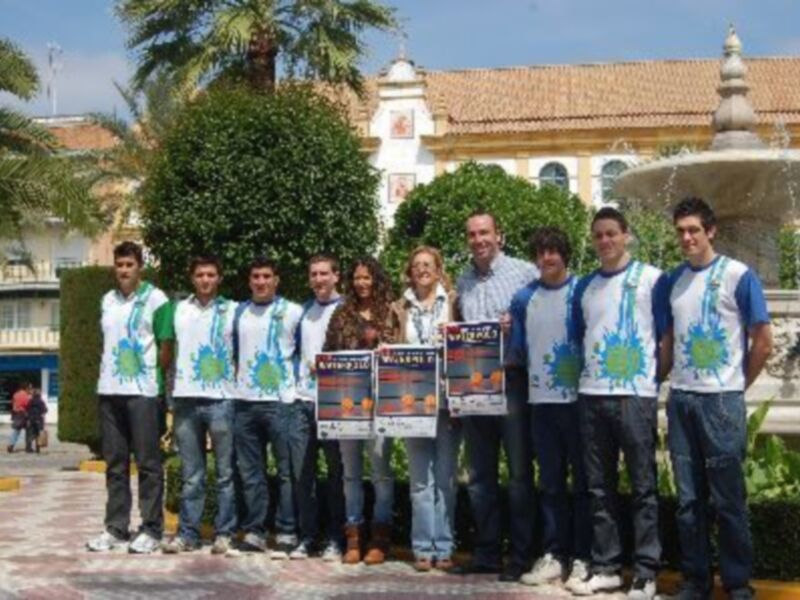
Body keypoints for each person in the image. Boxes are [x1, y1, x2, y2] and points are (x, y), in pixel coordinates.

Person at [662, 198, 772, 600]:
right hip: (683, 399)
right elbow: (668, 341)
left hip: (721, 401)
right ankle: (695, 580)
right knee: (689, 501)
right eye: (680, 231)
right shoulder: (673, 281)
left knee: (729, 500)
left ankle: (737, 583)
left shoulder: (738, 276)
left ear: (711, 231)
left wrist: (737, 385)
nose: (687, 237)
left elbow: (763, 341)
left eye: (693, 230)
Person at [568, 207, 668, 599]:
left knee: (644, 485)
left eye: (612, 233)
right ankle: (606, 564)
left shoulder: (650, 279)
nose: (605, 241)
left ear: (626, 235)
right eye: (599, 235)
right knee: (598, 487)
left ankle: (645, 571)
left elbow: (665, 335)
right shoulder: (585, 286)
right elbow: (581, 336)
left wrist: (650, 380)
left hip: (634, 396)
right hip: (593, 395)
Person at [450, 209, 539, 582]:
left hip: (513, 380)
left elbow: (545, 311)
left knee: (519, 474)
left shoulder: (524, 272)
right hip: (474, 384)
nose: (479, 240)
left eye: (484, 232)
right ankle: (487, 551)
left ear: (498, 236)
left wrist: (518, 322)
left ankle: (522, 554)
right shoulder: (464, 279)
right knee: (480, 475)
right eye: (472, 234)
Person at [508, 227, 591, 588]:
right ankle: (555, 554)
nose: (547, 258)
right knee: (551, 484)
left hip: (578, 402)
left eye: (554, 251)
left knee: (585, 483)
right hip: (541, 403)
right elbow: (518, 352)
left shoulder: (582, 291)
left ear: (565, 255)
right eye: (541, 253)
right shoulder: (524, 298)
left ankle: (584, 556)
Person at [87, 241, 174, 554]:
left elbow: (166, 346)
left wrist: (150, 379)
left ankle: (151, 529)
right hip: (109, 391)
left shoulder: (157, 299)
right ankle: (116, 528)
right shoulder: (107, 300)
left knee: (149, 464)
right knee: (115, 464)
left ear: (140, 267)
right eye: (120, 265)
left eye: (129, 265)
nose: (124, 271)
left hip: (143, 393)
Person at [389, 246, 460, 572]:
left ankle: (444, 545)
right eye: (416, 265)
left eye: (428, 264)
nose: (422, 270)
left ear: (438, 268)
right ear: (410, 271)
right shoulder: (398, 307)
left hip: (447, 401)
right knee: (419, 482)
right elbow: (390, 345)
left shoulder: (454, 302)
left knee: (445, 478)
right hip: (412, 404)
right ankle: (421, 547)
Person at [162, 256, 238, 555]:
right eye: (200, 274)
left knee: (225, 473)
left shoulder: (232, 310)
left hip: (222, 399)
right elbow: (167, 351)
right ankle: (188, 534)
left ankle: (225, 533)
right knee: (192, 474)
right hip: (186, 400)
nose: (205, 279)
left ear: (219, 278)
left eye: (211, 274)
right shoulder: (178, 309)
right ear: (192, 278)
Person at [323, 256, 396, 565]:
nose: (361, 283)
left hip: (382, 401)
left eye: (367, 278)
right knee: (350, 473)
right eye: (357, 278)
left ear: (376, 279)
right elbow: (328, 351)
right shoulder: (342, 313)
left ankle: (380, 538)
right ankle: (354, 536)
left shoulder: (389, 312)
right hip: (347, 402)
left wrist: (382, 344)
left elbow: (399, 350)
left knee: (380, 471)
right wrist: (322, 365)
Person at [233, 257, 304, 559]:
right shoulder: (237, 312)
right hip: (245, 403)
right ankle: (256, 531)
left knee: (287, 472)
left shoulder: (293, 312)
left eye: (266, 276)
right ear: (249, 281)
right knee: (251, 473)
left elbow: (303, 351)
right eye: (255, 276)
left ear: (277, 280)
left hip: (281, 403)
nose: (261, 282)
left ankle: (287, 531)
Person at [291, 254, 346, 560]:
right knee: (303, 474)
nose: (319, 279)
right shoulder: (304, 311)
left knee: (337, 474)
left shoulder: (347, 310)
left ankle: (336, 538)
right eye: (313, 274)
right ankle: (307, 536)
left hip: (334, 402)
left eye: (324, 273)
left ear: (336, 276)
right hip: (302, 400)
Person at [7, 382, 31, 453]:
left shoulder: (15, 394)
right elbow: (27, 405)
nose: (29, 389)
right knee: (29, 431)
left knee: (16, 431)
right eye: (29, 388)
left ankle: (11, 444)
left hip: (16, 414)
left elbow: (13, 403)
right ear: (26, 388)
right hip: (24, 414)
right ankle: (28, 447)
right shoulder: (26, 395)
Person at [26, 387, 48, 453]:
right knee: (38, 434)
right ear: (39, 395)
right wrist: (42, 413)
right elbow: (45, 410)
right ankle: (37, 449)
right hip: (39, 419)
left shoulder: (30, 401)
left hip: (31, 419)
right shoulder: (41, 401)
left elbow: (27, 409)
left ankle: (28, 448)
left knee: (30, 433)